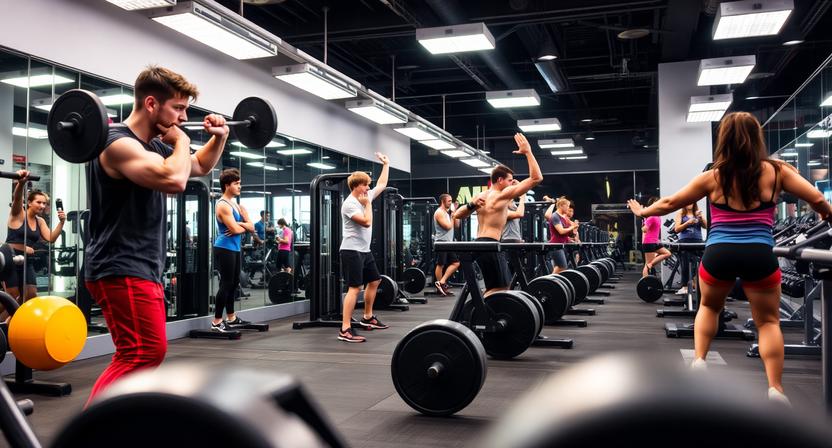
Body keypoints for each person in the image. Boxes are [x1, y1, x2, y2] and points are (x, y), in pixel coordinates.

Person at [627, 111, 832, 405]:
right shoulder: (778, 172)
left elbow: (670, 202)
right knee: (768, 322)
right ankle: (775, 389)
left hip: (719, 253)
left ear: (723, 139)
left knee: (709, 307)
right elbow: (818, 199)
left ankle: (700, 361)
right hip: (759, 254)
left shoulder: (713, 176)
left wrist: (642, 212)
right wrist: (827, 216)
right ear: (757, 137)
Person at [84, 66, 227, 404]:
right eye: (178, 108)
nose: (184, 117)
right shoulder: (116, 143)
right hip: (120, 264)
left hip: (139, 265)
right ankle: (94, 426)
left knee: (141, 353)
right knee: (142, 352)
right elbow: (174, 180)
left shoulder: (153, 147)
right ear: (151, 103)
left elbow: (198, 167)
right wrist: (182, 140)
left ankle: (117, 424)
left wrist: (219, 137)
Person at [453, 134, 542, 296]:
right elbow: (536, 178)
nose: (512, 183)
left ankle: (481, 309)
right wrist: (528, 152)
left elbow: (457, 215)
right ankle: (482, 310)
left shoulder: (482, 195)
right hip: (490, 245)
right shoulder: (501, 195)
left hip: (480, 243)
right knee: (499, 289)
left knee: (496, 287)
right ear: (500, 180)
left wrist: (472, 205)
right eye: (510, 180)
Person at [338, 152, 391, 343]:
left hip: (364, 250)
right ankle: (345, 329)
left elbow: (382, 184)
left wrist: (386, 164)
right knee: (354, 288)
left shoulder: (365, 195)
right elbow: (367, 222)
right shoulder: (349, 204)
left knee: (375, 280)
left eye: (368, 185)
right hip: (351, 250)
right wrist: (368, 204)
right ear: (356, 186)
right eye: (365, 185)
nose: (368, 187)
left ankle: (367, 317)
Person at [4, 173, 66, 304]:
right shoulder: (18, 214)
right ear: (29, 202)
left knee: (31, 295)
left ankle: (17, 317)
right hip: (10, 257)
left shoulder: (40, 221)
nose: (42, 206)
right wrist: (21, 183)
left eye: (44, 203)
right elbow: (17, 199)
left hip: (27, 260)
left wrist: (61, 222)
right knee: (12, 298)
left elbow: (51, 238)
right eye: (39, 202)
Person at [212, 168, 255, 332]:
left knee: (234, 283)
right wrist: (242, 226)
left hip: (234, 248)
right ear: (227, 185)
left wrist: (241, 224)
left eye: (239, 183)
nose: (239, 186)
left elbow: (251, 227)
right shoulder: (223, 205)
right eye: (236, 183)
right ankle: (216, 321)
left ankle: (231, 318)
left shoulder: (236, 205)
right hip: (224, 247)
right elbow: (235, 230)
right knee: (226, 283)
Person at [673, 203, 706, 294]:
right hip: (685, 241)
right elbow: (676, 229)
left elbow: (706, 226)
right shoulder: (680, 213)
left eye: (692, 202)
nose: (690, 204)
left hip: (698, 241)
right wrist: (687, 223)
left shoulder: (698, 213)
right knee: (685, 264)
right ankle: (685, 286)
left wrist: (701, 218)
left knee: (703, 263)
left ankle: (697, 284)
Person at [433, 193, 460, 296]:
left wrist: (455, 212)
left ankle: (442, 282)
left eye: (451, 201)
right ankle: (440, 287)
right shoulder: (439, 212)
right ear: (442, 201)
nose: (450, 202)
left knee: (456, 263)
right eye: (449, 201)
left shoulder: (448, 213)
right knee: (441, 264)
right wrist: (452, 214)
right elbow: (448, 227)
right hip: (441, 242)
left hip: (448, 242)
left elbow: (457, 225)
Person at [544, 196, 579, 274]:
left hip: (562, 245)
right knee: (562, 267)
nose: (568, 208)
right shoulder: (555, 216)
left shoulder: (563, 217)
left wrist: (574, 230)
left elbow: (568, 234)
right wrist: (572, 227)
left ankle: (553, 281)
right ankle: (549, 280)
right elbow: (561, 231)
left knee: (559, 267)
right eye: (567, 206)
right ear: (561, 206)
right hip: (555, 245)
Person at [639, 197, 671, 277]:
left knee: (667, 253)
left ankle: (651, 264)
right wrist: (645, 221)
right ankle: (645, 281)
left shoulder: (658, 216)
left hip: (655, 242)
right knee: (647, 264)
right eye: (655, 203)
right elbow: (644, 230)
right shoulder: (652, 217)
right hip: (649, 243)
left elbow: (655, 230)